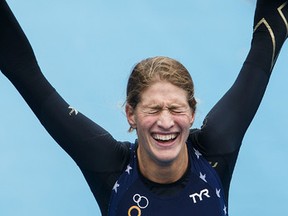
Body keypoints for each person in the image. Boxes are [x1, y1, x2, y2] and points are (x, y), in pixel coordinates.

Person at [0, 0, 287, 215]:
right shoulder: (110, 168)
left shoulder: (216, 148)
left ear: (192, 113)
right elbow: (25, 72)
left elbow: (267, 41)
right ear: (130, 114)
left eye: (175, 109)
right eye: (153, 109)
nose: (165, 122)